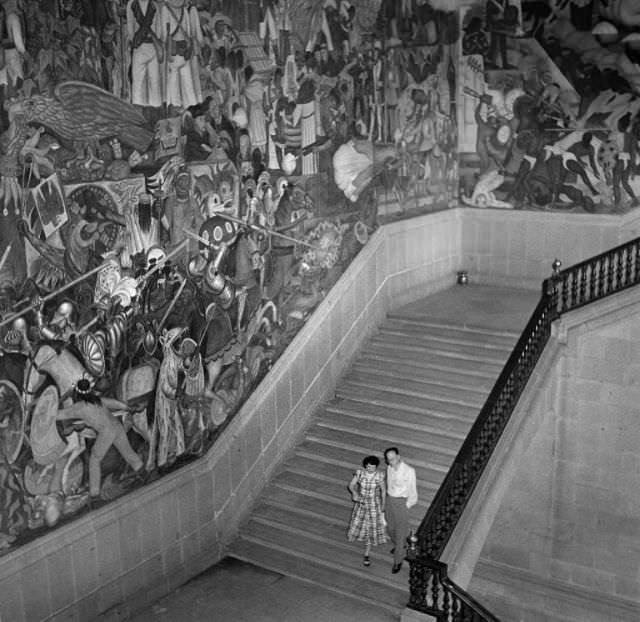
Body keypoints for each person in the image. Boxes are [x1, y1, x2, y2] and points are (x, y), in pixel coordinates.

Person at [56, 379, 144, 500]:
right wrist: (129, 408)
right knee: (128, 453)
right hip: (117, 427)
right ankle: (143, 472)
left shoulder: (78, 408)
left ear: (77, 393)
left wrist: (50, 406)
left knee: (94, 459)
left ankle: (95, 494)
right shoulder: (98, 400)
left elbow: (59, 415)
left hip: (107, 432)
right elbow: (117, 404)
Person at [347, 455, 387, 566]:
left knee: (371, 526)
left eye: (373, 467)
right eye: (369, 467)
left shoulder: (379, 476)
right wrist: (354, 492)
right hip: (361, 502)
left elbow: (383, 491)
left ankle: (367, 553)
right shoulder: (360, 473)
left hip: (373, 503)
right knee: (359, 523)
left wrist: (383, 505)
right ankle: (360, 536)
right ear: (365, 466)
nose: (370, 469)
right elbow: (351, 485)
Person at [384, 446, 417, 573]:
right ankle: (401, 545)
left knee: (400, 532)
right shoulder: (389, 468)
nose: (390, 461)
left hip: (401, 502)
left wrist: (407, 505)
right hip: (390, 501)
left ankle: (398, 560)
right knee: (391, 528)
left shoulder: (409, 471)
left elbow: (412, 490)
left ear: (398, 457)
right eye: (388, 459)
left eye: (392, 458)